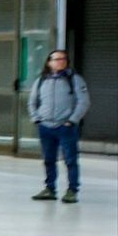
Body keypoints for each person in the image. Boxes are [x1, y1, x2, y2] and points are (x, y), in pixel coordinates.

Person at [29, 48, 90, 203]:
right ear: (49, 62)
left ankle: (72, 190)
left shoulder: (75, 79)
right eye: (56, 59)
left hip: (66, 127)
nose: (60, 61)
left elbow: (83, 102)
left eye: (63, 59)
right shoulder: (41, 80)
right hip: (45, 126)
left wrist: (72, 120)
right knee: (48, 159)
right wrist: (36, 118)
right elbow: (32, 102)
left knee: (70, 160)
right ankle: (50, 188)